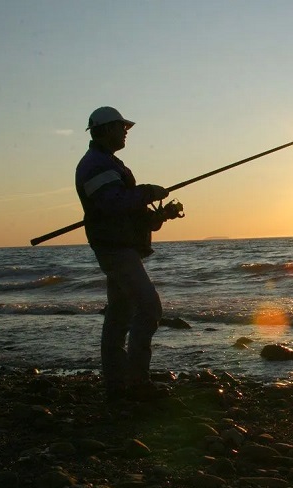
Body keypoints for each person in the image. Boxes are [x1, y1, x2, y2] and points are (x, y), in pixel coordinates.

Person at [75, 106, 172, 401]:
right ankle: (137, 382)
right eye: (121, 127)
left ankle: (117, 386)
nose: (125, 132)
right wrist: (149, 192)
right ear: (104, 130)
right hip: (115, 250)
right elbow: (113, 203)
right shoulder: (95, 164)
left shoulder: (105, 162)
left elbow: (124, 211)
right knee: (149, 308)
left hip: (119, 246)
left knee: (119, 315)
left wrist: (159, 215)